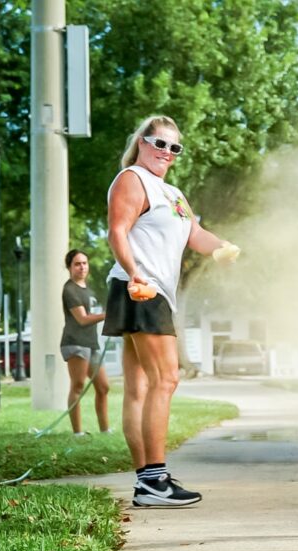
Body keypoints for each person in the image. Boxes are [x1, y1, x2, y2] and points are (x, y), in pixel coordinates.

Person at [104, 115, 239, 507]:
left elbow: (194, 234)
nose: (166, 152)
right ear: (141, 142)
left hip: (148, 289)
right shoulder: (132, 179)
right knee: (167, 378)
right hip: (141, 288)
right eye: (158, 143)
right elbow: (117, 230)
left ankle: (147, 483)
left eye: (173, 147)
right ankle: (154, 479)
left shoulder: (173, 193)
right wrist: (134, 275)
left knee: (141, 387)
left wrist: (222, 247)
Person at [61, 249, 111, 436]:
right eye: (77, 264)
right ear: (69, 267)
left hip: (92, 343)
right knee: (78, 386)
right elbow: (82, 319)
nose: (82, 267)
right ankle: (78, 433)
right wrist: (108, 315)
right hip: (75, 342)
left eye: (84, 263)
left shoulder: (88, 290)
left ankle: (105, 430)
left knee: (103, 387)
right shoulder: (70, 290)